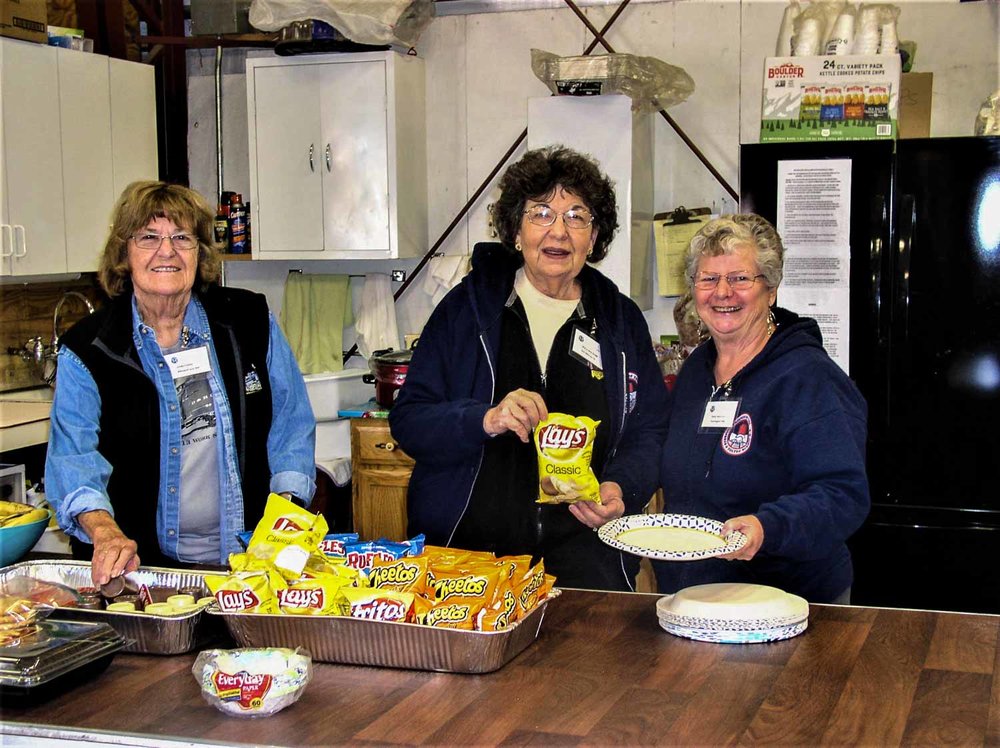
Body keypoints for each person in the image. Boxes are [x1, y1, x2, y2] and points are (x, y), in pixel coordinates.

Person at [389, 146, 670, 591]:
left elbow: (651, 430)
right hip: (471, 560)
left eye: (577, 216)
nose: (558, 231)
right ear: (516, 230)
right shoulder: (466, 311)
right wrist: (486, 418)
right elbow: (409, 420)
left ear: (594, 237)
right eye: (541, 213)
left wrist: (620, 489)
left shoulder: (619, 320)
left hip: (587, 560)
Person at [45, 181, 316, 586]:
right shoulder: (90, 348)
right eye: (149, 237)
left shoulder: (249, 320)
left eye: (182, 237)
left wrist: (286, 517)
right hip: (143, 574)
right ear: (124, 253)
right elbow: (74, 461)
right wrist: (105, 533)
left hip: (250, 566)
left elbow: (291, 427)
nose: (166, 251)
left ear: (200, 252)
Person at [655, 214, 869, 603]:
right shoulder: (695, 372)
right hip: (696, 599)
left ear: (770, 289)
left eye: (739, 278)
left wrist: (766, 527)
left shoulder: (808, 377)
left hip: (788, 603)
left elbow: (843, 494)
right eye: (708, 279)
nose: (722, 292)